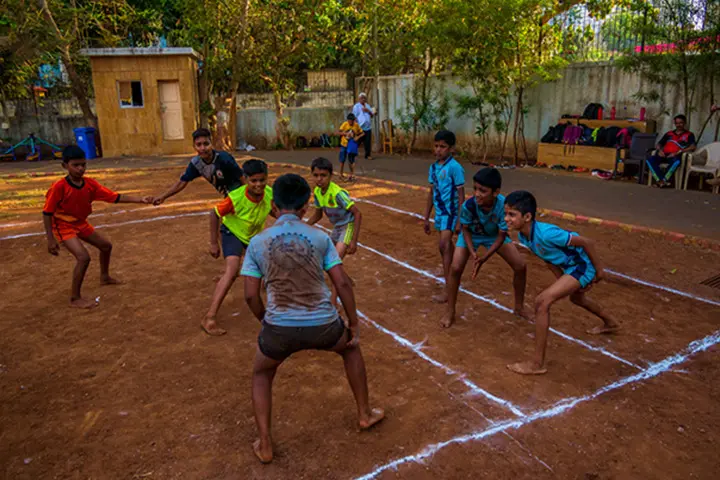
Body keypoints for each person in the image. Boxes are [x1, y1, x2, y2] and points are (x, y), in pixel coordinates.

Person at [241, 173, 384, 464]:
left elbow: (250, 295)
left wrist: (264, 320)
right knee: (351, 348)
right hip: (324, 325)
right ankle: (364, 414)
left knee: (262, 373)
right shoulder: (320, 237)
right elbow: (342, 283)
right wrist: (353, 322)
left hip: (278, 328)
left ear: (274, 204)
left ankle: (265, 443)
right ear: (306, 206)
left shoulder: (257, 242)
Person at [503, 190, 620, 375]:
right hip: (571, 269)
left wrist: (599, 272)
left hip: (582, 267)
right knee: (577, 299)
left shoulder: (547, 234)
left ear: (527, 216)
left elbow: (587, 242)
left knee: (542, 302)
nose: (507, 218)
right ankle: (610, 322)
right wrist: (563, 281)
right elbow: (548, 259)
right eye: (506, 214)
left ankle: (537, 364)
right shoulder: (525, 236)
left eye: (512, 214)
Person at [43, 145, 152, 309]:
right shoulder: (59, 187)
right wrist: (50, 239)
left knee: (106, 246)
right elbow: (47, 212)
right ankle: (75, 298)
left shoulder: (90, 184)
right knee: (83, 257)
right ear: (65, 166)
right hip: (63, 225)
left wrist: (140, 199)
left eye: (83, 165)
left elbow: (113, 197)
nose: (81, 169)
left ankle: (105, 277)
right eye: (75, 165)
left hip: (80, 223)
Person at [441, 168, 530, 328]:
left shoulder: (504, 206)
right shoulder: (469, 206)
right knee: (455, 268)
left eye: (483, 190)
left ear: (496, 192)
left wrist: (485, 257)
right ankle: (450, 311)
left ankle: (519, 307)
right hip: (471, 236)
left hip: (493, 236)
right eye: (475, 188)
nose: (477, 193)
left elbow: (502, 235)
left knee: (520, 266)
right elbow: (465, 230)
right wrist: (473, 251)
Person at [202, 159, 274, 336]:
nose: (258, 185)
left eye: (262, 180)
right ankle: (209, 317)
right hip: (232, 233)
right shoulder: (236, 198)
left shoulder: (270, 194)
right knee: (233, 271)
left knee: (273, 262)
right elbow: (214, 213)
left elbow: (274, 210)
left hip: (252, 237)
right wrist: (213, 242)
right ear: (246, 179)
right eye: (253, 181)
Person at [307, 157, 363, 306]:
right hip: (337, 228)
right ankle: (347, 281)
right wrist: (304, 225)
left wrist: (353, 240)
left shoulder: (338, 194)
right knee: (327, 260)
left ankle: (333, 303)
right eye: (316, 175)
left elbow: (357, 213)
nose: (319, 179)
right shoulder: (318, 192)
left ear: (331, 176)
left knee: (333, 264)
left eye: (323, 175)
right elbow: (318, 214)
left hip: (347, 226)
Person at [423, 130, 465, 303]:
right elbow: (432, 192)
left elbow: (461, 195)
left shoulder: (455, 168)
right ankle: (454, 268)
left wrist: (459, 219)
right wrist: (426, 217)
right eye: (436, 146)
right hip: (440, 213)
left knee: (444, 245)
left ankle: (449, 289)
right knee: (445, 248)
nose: (439, 150)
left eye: (443, 146)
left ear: (451, 149)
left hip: (451, 212)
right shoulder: (433, 168)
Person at [152, 128, 244, 205]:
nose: (203, 148)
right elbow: (181, 183)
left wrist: (250, 198)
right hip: (228, 194)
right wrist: (163, 196)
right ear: (194, 147)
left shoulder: (224, 158)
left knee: (223, 219)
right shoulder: (196, 163)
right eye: (199, 145)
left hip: (240, 192)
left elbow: (242, 178)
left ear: (211, 144)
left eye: (206, 144)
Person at [646, 114, 696, 188]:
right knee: (650, 160)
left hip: (675, 156)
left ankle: (662, 181)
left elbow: (692, 147)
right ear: (675, 124)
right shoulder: (669, 134)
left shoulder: (689, 134)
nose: (678, 125)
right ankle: (661, 181)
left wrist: (679, 152)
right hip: (663, 154)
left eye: (681, 123)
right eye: (677, 123)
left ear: (684, 123)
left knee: (676, 162)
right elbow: (659, 144)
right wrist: (660, 150)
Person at [336, 113, 365, 181]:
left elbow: (363, 133)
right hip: (344, 144)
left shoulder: (356, 125)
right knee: (342, 159)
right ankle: (341, 174)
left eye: (352, 121)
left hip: (352, 145)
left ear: (354, 120)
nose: (350, 122)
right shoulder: (344, 124)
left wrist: (357, 137)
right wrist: (346, 133)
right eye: (349, 121)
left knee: (351, 160)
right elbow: (339, 132)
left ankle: (352, 174)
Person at [352, 93, 375, 161]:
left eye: (364, 98)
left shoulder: (367, 105)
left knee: (367, 142)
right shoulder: (356, 106)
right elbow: (354, 116)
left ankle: (368, 155)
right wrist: (356, 126)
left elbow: (372, 115)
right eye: (362, 98)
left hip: (368, 127)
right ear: (359, 99)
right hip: (360, 127)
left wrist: (368, 111)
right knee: (358, 141)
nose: (363, 99)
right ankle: (352, 152)